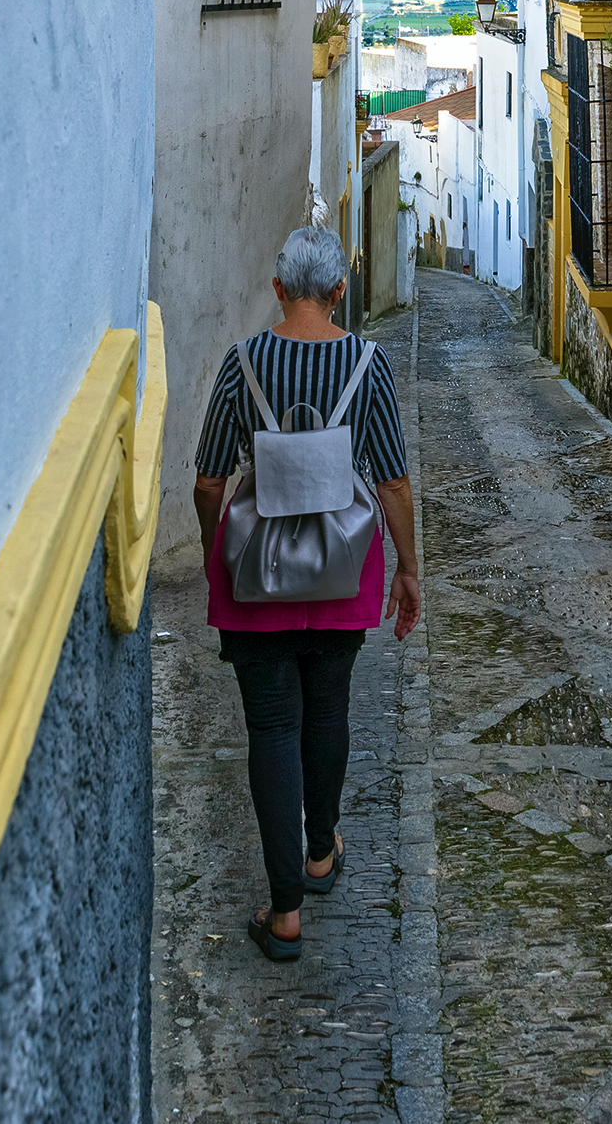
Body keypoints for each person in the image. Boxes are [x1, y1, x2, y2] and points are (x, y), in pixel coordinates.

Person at [193, 226, 421, 961]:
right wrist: (409, 569)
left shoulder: (243, 362)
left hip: (255, 575)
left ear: (278, 289)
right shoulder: (368, 363)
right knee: (327, 708)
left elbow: (206, 481)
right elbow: (390, 480)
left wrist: (212, 551)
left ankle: (283, 910)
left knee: (271, 729)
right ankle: (321, 854)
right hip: (341, 571)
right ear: (339, 291)